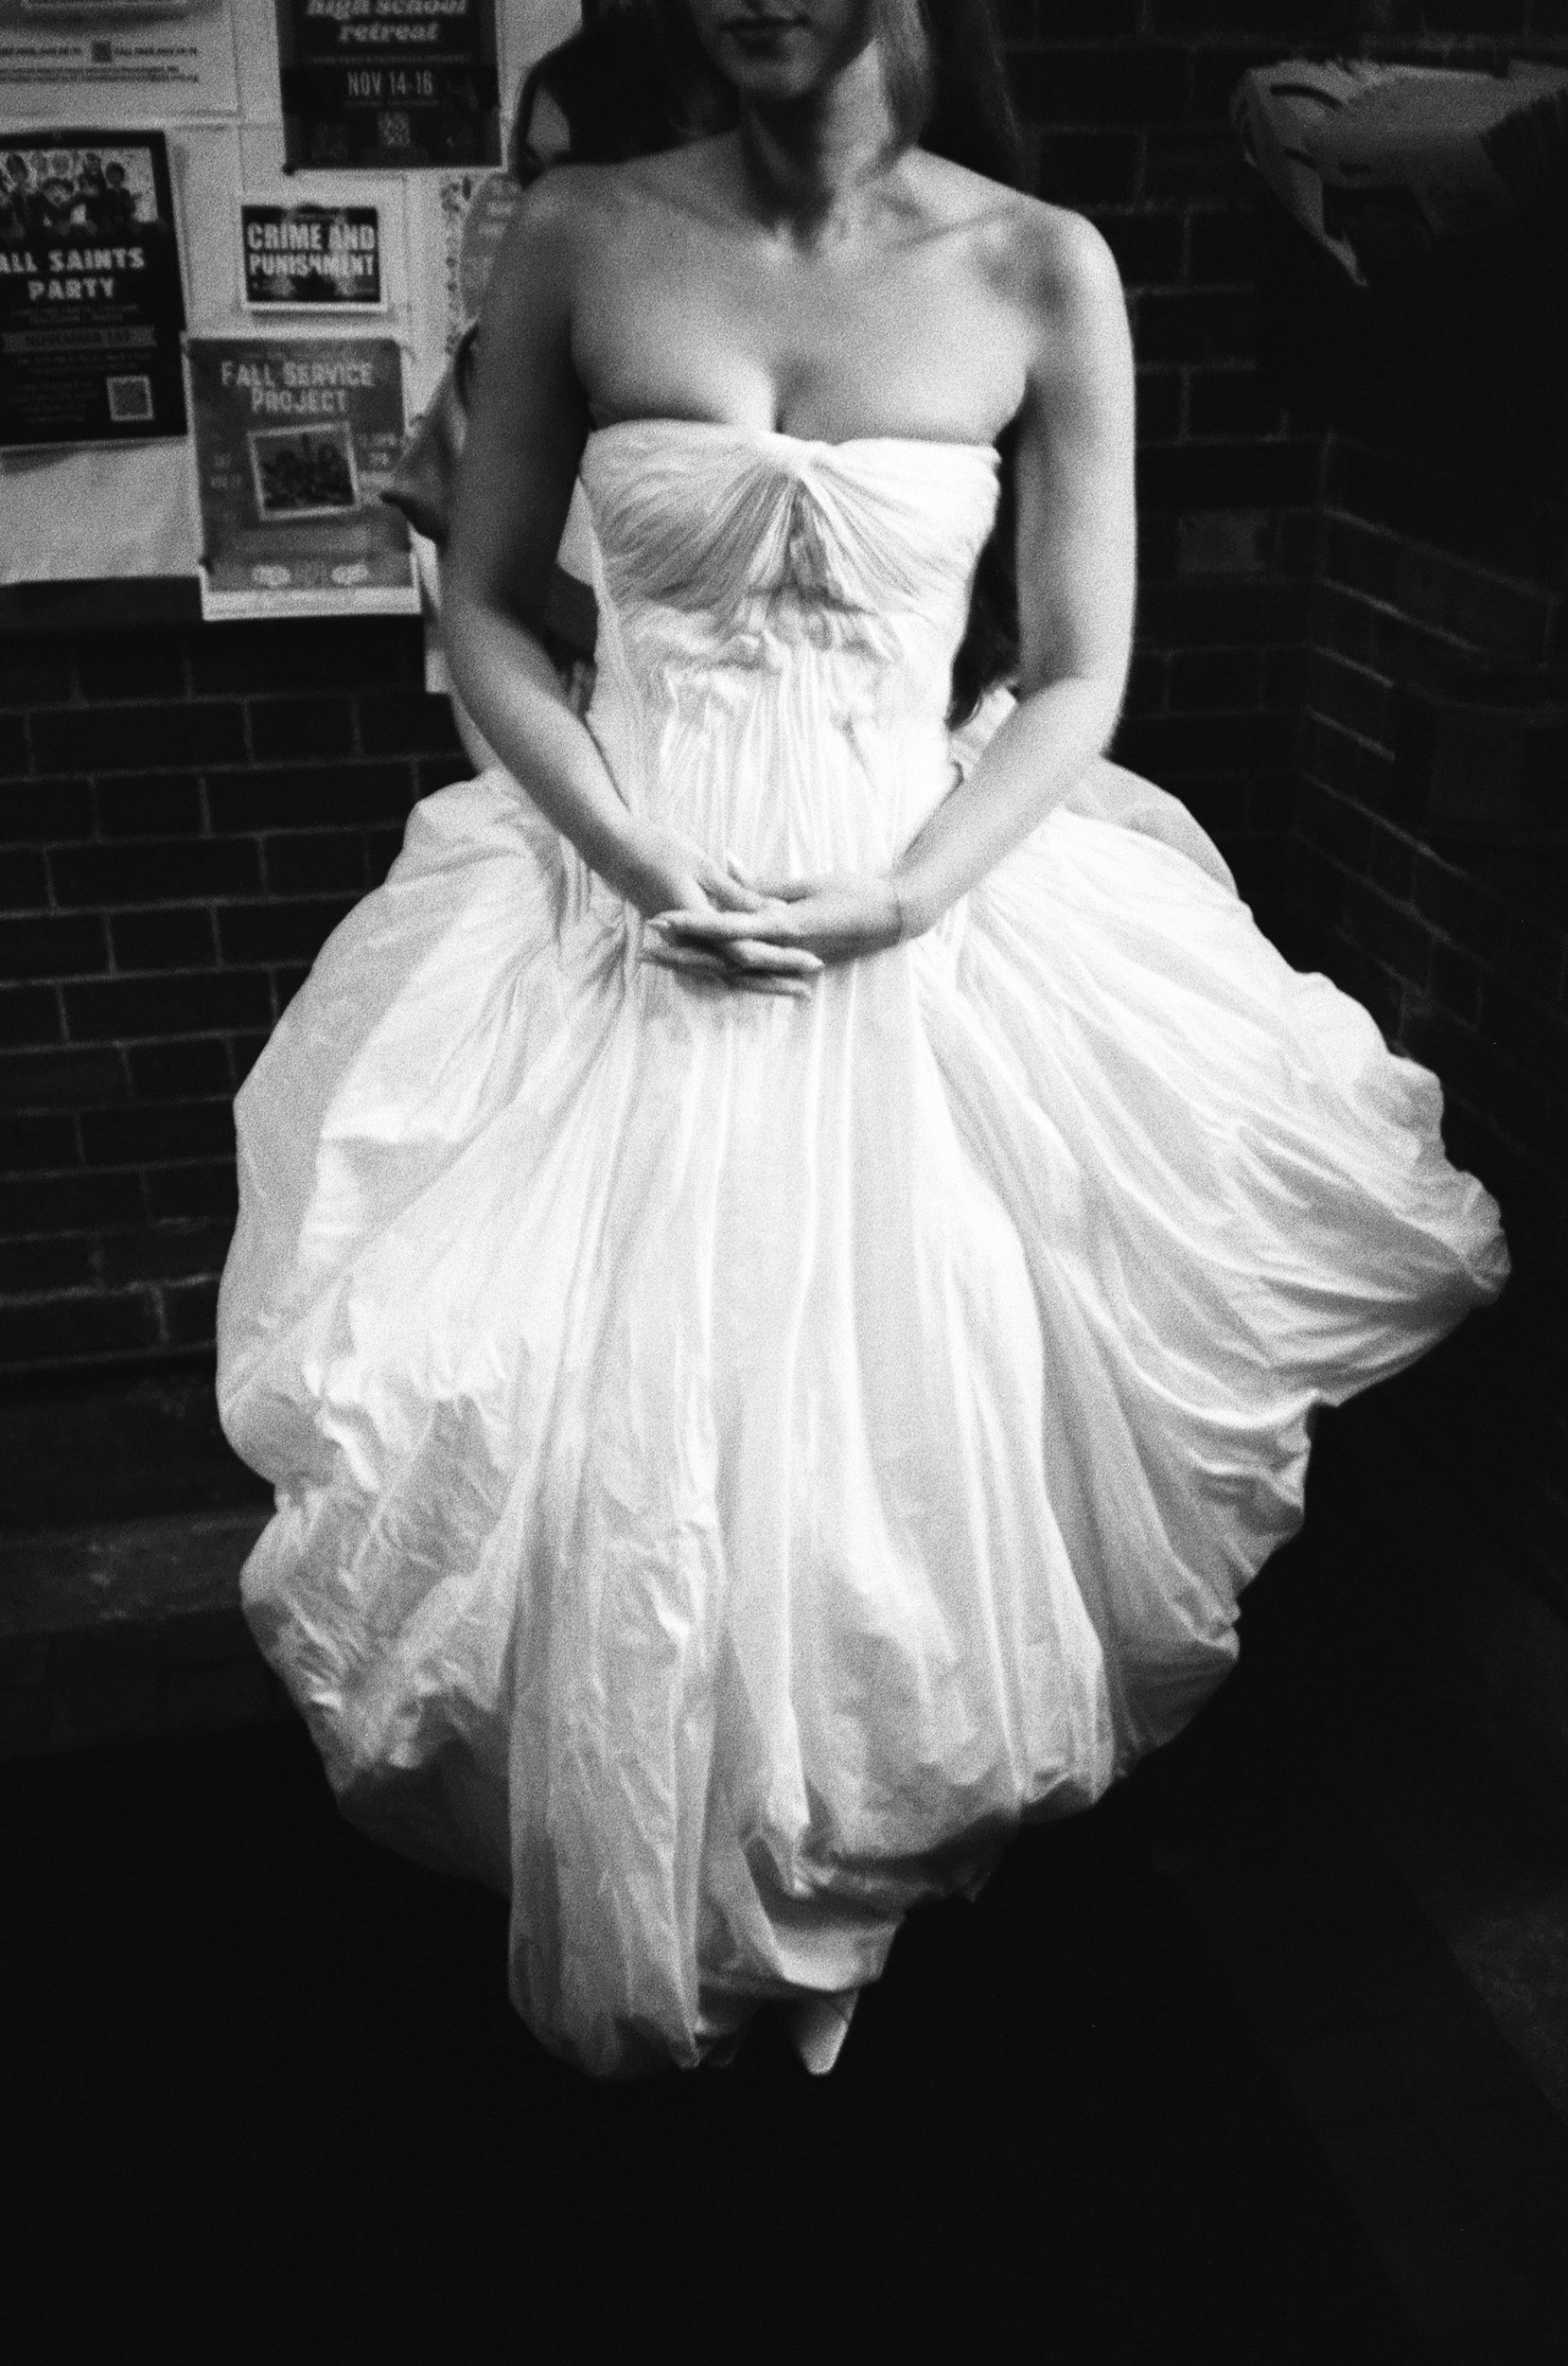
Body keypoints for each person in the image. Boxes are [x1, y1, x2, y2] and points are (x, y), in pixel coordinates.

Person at [217, 0, 1508, 2079]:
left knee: (893, 1442)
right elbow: (480, 601)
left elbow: (1079, 670)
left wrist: (910, 892)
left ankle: (838, 1856)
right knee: (587, 1431)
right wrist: (635, 861)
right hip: (628, 908)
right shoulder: (579, 232)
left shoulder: (1034, 267)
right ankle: (656, 1862)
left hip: (908, 910)